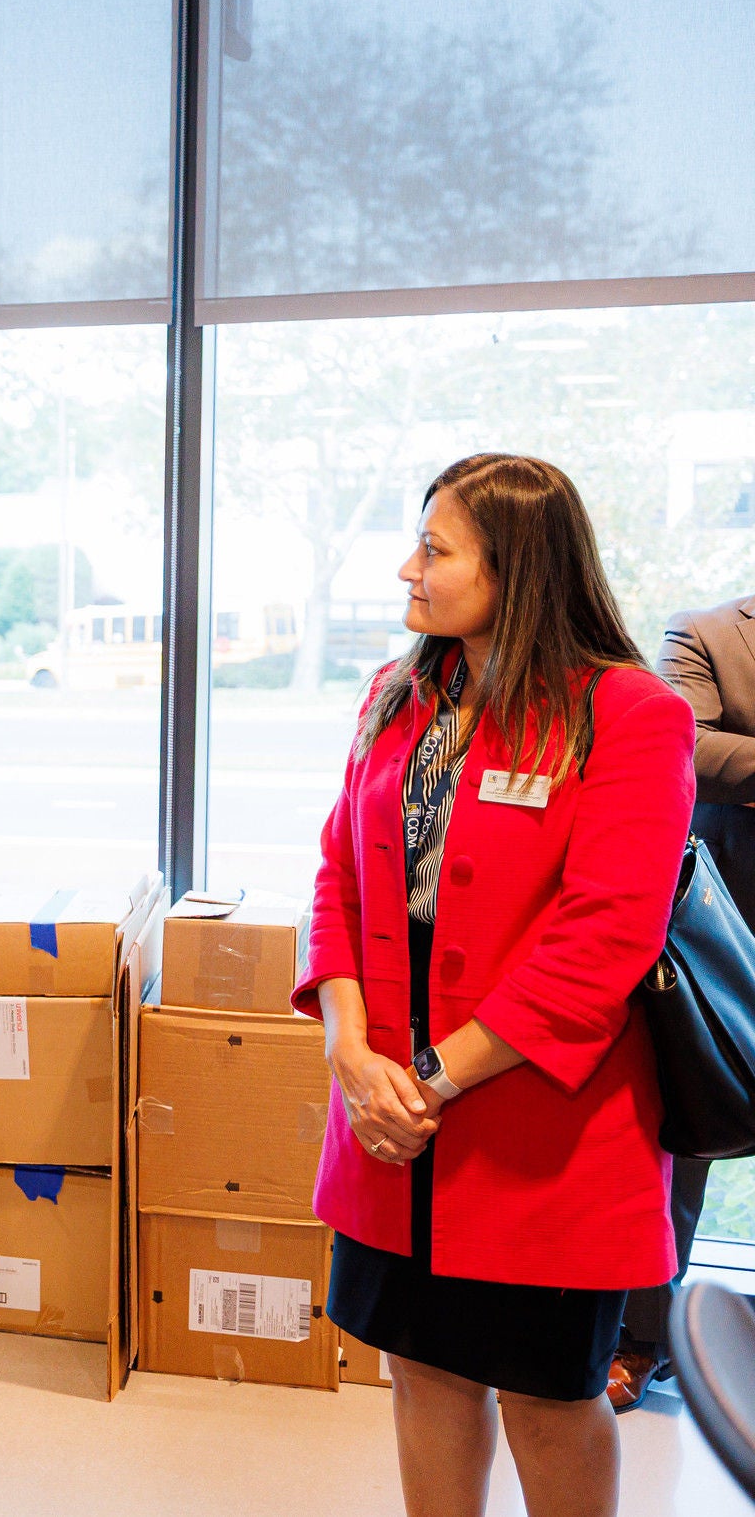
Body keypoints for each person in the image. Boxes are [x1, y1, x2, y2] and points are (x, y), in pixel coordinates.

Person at [296, 453, 694, 1517]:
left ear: (515, 566)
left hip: (537, 1127)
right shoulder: (398, 697)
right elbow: (337, 876)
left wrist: (426, 1082)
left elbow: (603, 939)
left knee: (547, 1396)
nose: (407, 570)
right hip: (390, 1116)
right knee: (420, 1371)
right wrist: (348, 1050)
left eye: (433, 550)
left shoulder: (626, 712)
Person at [607, 591, 755, 1408]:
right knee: (687, 1139)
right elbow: (690, 747)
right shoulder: (707, 633)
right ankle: (641, 1341)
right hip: (726, 933)